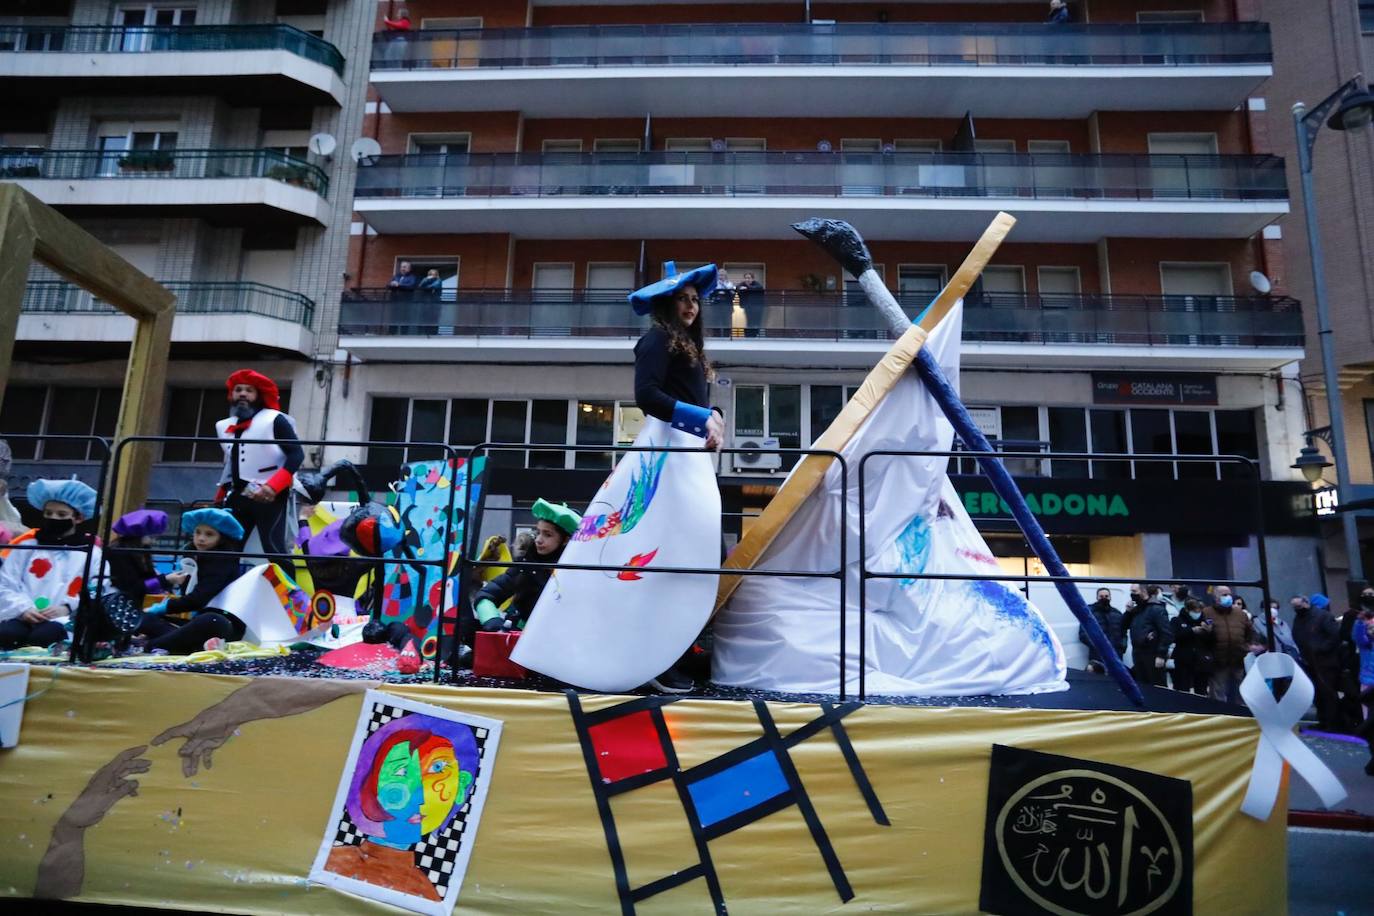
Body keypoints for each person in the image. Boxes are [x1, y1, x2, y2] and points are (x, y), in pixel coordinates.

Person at [629, 262, 725, 693]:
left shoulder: (686, 345)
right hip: (669, 454)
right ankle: (652, 657)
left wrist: (714, 416)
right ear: (668, 303)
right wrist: (702, 417)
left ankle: (676, 652)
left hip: (688, 456)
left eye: (695, 299)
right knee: (668, 551)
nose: (691, 305)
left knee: (696, 552)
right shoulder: (656, 340)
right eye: (683, 298)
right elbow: (646, 396)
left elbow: (699, 400)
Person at [0, 479, 107, 649]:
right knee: (7, 635)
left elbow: (99, 588)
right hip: (21, 614)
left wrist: (67, 607)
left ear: (78, 518)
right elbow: (5, 583)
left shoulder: (91, 553)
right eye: (48, 513)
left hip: (66, 619)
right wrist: (23, 609)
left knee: (44, 637)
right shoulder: (27, 546)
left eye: (61, 515)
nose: (53, 518)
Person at [214, 369, 303, 558]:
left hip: (271, 496)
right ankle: (225, 586)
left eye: (249, 390)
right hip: (238, 494)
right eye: (238, 389)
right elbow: (233, 461)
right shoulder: (222, 426)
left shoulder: (275, 419)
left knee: (274, 548)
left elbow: (296, 454)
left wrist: (273, 487)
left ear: (258, 395)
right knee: (226, 548)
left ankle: (289, 589)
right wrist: (220, 493)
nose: (243, 394)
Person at [140, 509, 246, 655]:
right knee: (144, 619)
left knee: (212, 621)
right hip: (196, 622)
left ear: (221, 538)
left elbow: (198, 600)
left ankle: (153, 645)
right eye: (197, 532)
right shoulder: (194, 557)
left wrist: (164, 607)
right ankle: (183, 643)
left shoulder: (223, 560)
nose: (201, 538)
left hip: (224, 623)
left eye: (209, 534)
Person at [473, 499, 580, 633]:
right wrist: (493, 622)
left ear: (565, 540)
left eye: (548, 534)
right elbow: (486, 595)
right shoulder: (525, 564)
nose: (539, 540)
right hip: (519, 638)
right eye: (538, 532)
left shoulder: (578, 571)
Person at [1292, 593, 1343, 729]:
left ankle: (1333, 723)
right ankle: (1323, 720)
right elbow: (1296, 634)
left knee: (1328, 693)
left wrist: (1320, 649)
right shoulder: (1299, 618)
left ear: (1306, 603)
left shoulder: (1323, 616)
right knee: (1317, 694)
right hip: (1309, 661)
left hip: (1325, 662)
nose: (1297, 609)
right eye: (1294, 607)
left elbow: (1334, 637)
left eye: (1298, 605)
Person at [1204, 585, 1261, 704]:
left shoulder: (1240, 614)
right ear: (1216, 597)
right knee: (1218, 694)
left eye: (1229, 594)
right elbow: (1202, 637)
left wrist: (1248, 646)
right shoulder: (1207, 612)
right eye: (1224, 595)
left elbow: (1251, 632)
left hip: (1238, 659)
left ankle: (1240, 717)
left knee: (1240, 691)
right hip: (1218, 661)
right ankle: (1220, 717)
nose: (1228, 597)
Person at [1126, 584, 1172, 688]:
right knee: (1142, 686)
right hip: (1138, 654)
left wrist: (1161, 655)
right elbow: (1123, 626)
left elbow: (1166, 633)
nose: (1132, 594)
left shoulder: (1156, 609)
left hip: (1152, 654)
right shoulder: (1136, 610)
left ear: (1143, 591)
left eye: (1134, 591)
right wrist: (1128, 612)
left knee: (1157, 687)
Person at [1170, 599, 1211, 695]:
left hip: (1200, 661)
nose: (1198, 613)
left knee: (1201, 690)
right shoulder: (1177, 620)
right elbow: (1174, 636)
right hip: (1183, 660)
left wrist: (1209, 631)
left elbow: (1211, 641)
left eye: (1199, 611)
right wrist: (1191, 631)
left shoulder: (1204, 622)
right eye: (1195, 611)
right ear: (1188, 610)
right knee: (1182, 689)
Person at [1078, 587, 1124, 674]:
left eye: (1106, 596)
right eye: (1101, 596)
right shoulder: (1090, 614)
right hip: (1097, 656)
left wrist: (1122, 647)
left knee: (1115, 683)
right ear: (1097, 597)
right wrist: (1097, 646)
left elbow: (1123, 633)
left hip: (1116, 656)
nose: (1104, 598)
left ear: (1110, 597)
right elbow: (1083, 634)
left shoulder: (1117, 613)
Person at [1352, 606, 1374, 774]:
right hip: (1369, 684)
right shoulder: (1367, 644)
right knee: (1370, 722)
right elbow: (1358, 637)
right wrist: (1360, 622)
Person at [737, 271, 766, 338]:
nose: (747, 279)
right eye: (746, 278)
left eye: (749, 278)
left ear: (752, 279)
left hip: (756, 309)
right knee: (747, 323)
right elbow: (737, 287)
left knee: (755, 323)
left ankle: (755, 336)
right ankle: (747, 336)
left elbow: (759, 288)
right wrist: (741, 288)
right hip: (746, 308)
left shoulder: (756, 284)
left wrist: (747, 288)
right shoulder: (742, 284)